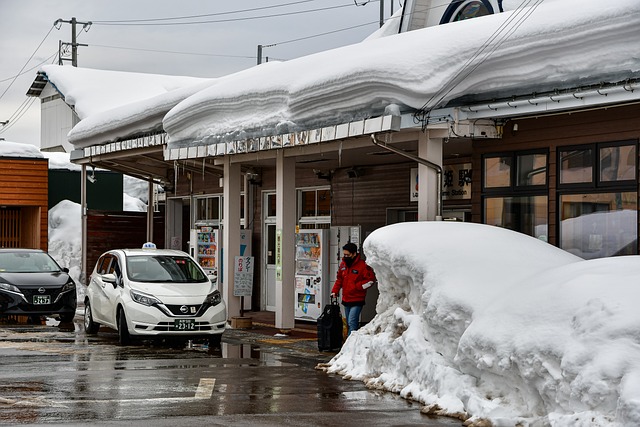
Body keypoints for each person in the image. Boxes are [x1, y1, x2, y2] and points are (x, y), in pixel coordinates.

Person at [331, 242, 376, 336]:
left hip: (357, 299)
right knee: (348, 322)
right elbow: (339, 279)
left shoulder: (363, 265)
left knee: (352, 321)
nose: (345, 256)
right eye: (344, 254)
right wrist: (335, 291)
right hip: (346, 299)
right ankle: (350, 342)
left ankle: (350, 344)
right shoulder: (343, 265)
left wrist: (357, 287)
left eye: (348, 254)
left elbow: (370, 280)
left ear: (354, 254)